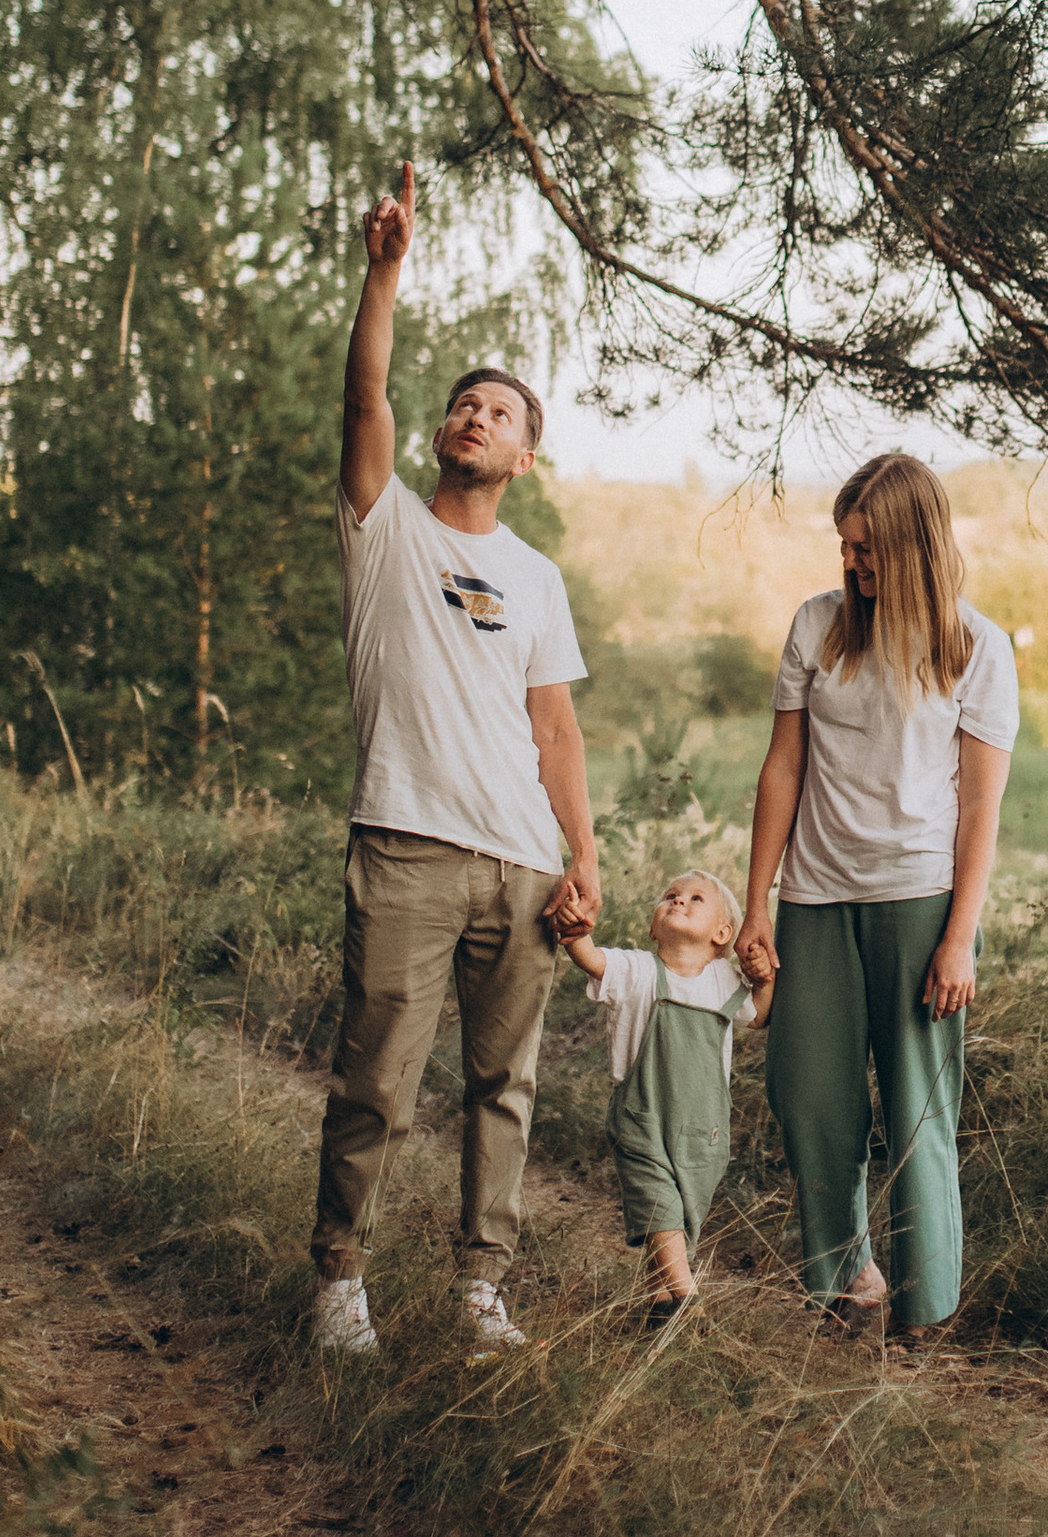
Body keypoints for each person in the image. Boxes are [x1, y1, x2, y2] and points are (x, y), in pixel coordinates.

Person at [312, 161, 600, 1358]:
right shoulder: (385, 529)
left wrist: (584, 859)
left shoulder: (537, 578)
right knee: (375, 1084)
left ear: (525, 457)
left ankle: (479, 1289)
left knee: (502, 1093)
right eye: (465, 404)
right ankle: (336, 1285)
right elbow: (363, 400)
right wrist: (385, 274)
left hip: (522, 870)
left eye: (502, 413)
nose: (476, 416)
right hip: (408, 847)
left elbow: (556, 729)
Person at [734, 454, 1017, 1341]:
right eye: (845, 546)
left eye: (866, 548)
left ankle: (925, 1312)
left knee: (917, 1112)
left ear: (914, 544)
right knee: (808, 1098)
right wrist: (755, 905)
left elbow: (981, 807)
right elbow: (782, 768)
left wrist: (959, 938)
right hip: (814, 899)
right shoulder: (817, 627)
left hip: (920, 900)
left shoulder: (977, 647)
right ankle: (846, 1281)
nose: (851, 563)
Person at [556, 869, 770, 1315]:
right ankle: (687, 1299)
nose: (679, 902)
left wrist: (764, 977)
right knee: (658, 1201)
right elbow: (591, 959)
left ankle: (658, 1297)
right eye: (671, 896)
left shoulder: (725, 982)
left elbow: (758, 1015)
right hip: (642, 1116)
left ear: (722, 934)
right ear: (653, 927)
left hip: (704, 1125)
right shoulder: (636, 970)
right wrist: (575, 932)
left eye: (695, 899)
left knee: (685, 1206)